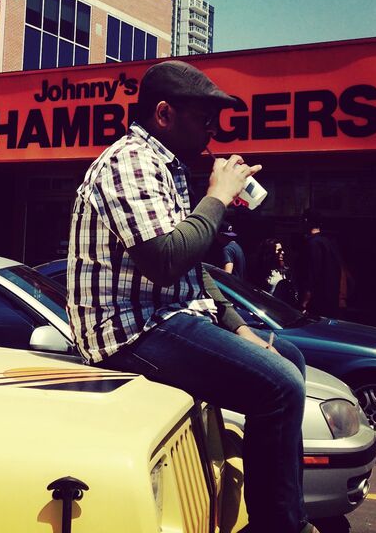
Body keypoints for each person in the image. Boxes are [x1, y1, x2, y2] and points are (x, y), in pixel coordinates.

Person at [67, 60, 314, 533]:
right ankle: (281, 526)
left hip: (165, 317)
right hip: (129, 332)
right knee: (281, 387)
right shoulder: (128, 162)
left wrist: (239, 327)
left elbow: (192, 271)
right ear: (163, 114)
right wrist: (218, 197)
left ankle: (284, 514)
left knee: (292, 359)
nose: (212, 131)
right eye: (204, 119)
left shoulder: (165, 168)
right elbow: (164, 261)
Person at [296, 210, 344, 316]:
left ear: (306, 221)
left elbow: (312, 275)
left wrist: (304, 302)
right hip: (331, 302)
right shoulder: (329, 242)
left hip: (316, 304)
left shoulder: (313, 244)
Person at [252, 238, 299, 306]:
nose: (283, 252)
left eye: (282, 250)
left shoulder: (285, 271)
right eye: (279, 250)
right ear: (270, 252)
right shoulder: (260, 272)